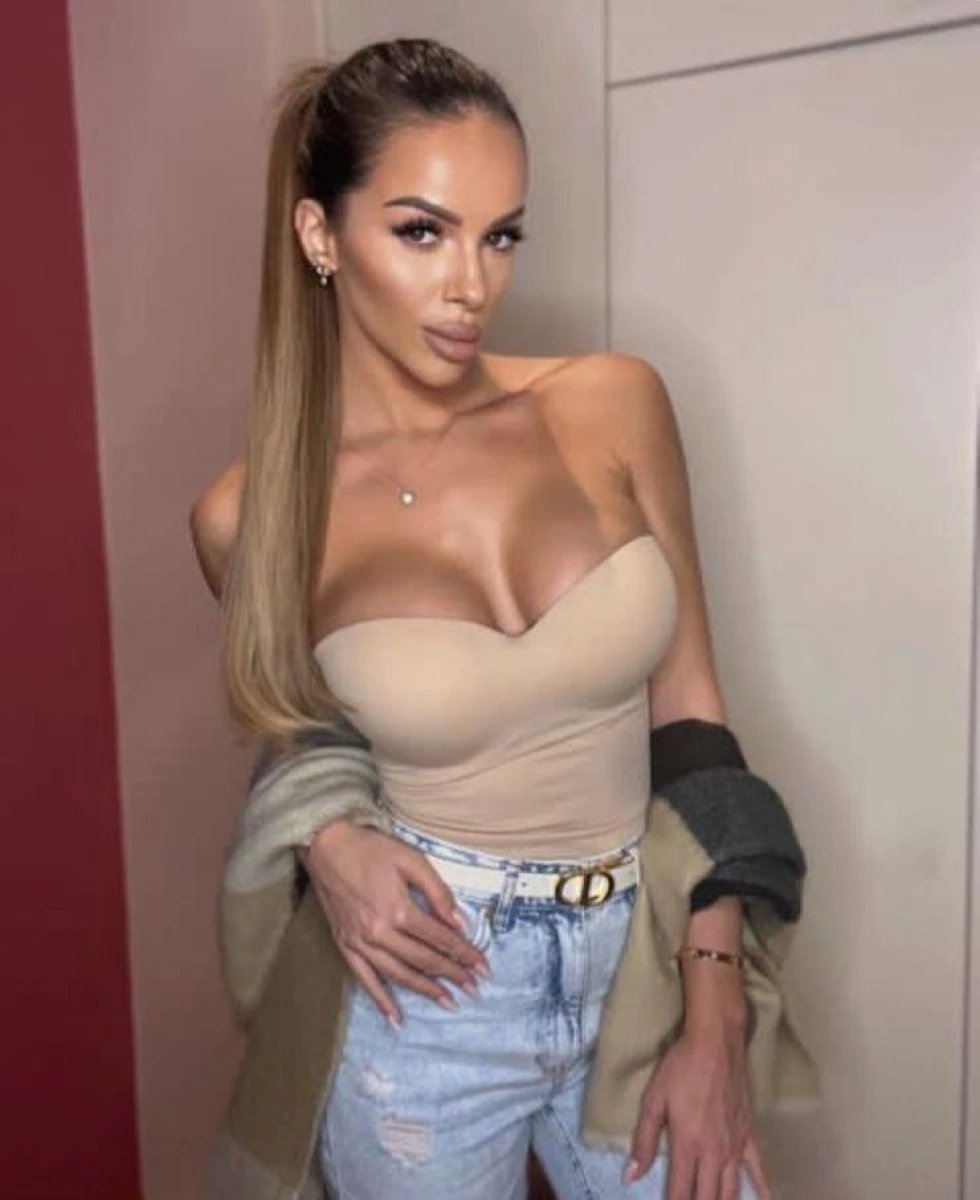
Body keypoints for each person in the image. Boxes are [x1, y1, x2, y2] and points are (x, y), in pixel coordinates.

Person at [190, 37, 785, 1200]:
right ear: (320, 235)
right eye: (422, 232)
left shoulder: (612, 402)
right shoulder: (249, 516)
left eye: (499, 235)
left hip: (644, 963)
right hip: (422, 1002)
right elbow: (305, 735)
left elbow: (691, 712)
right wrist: (329, 842)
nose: (471, 284)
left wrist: (713, 1007)